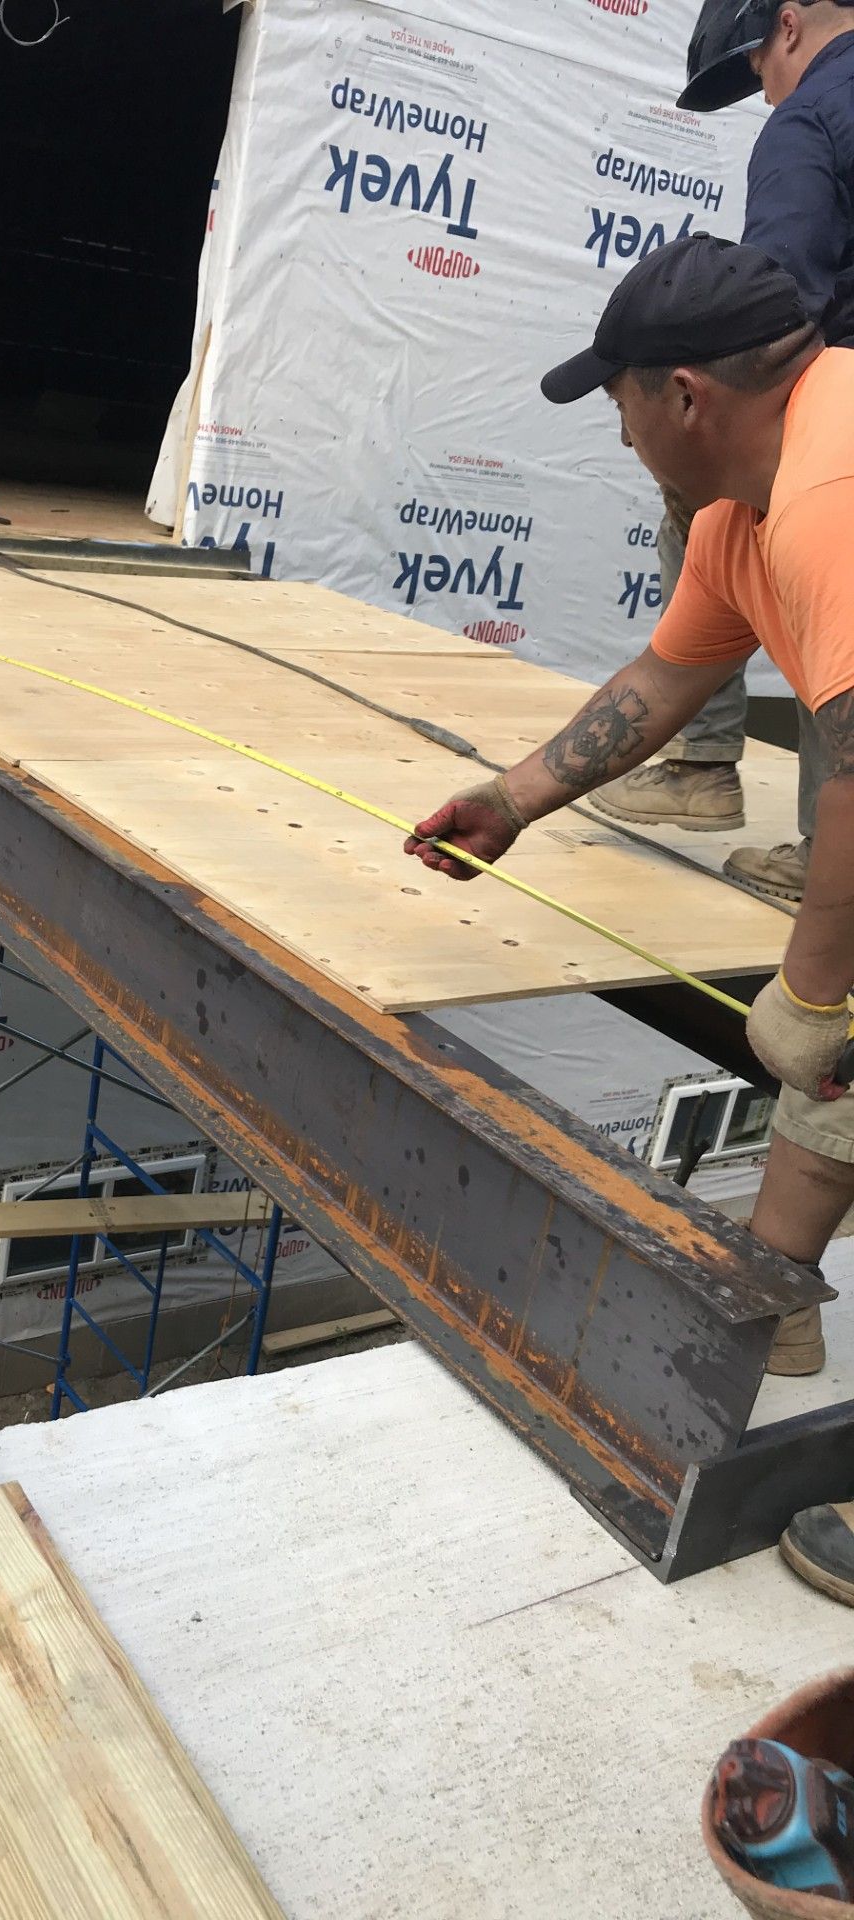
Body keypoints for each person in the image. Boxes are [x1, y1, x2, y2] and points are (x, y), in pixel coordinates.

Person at [404, 234, 854, 1599]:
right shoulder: (740, 515)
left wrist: (816, 987)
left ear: (685, 397)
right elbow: (663, 685)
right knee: (836, 1065)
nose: (615, 426)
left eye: (617, 399)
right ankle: (770, 1302)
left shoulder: (837, 493)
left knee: (829, 1031)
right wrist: (513, 800)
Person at [589, 0, 854, 907]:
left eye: (755, 72)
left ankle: (713, 774)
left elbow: (772, 302)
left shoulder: (811, 117)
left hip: (835, 423)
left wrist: (722, 449)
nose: (763, 94)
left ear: (788, 27)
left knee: (720, 517)